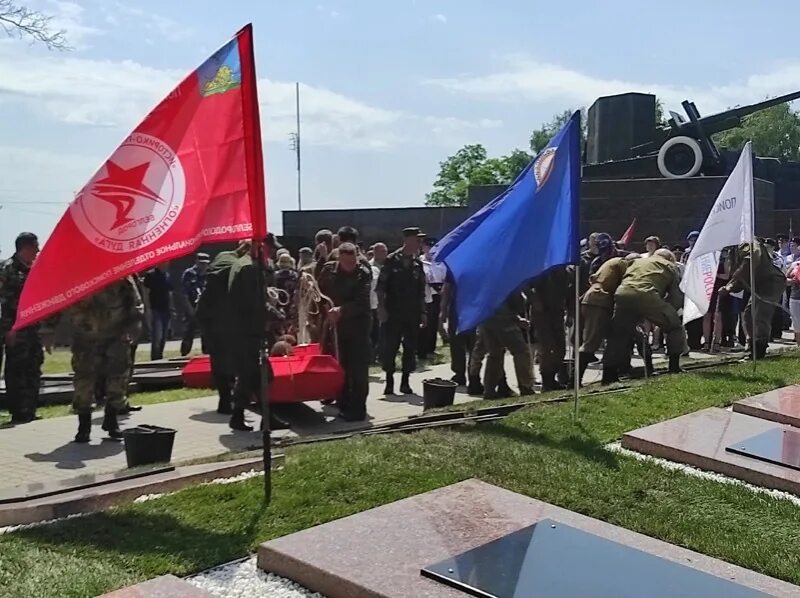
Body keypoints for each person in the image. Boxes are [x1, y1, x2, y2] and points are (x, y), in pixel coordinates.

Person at [50, 276, 145, 443]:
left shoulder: (121, 276)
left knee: (117, 379)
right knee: (84, 381)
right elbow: (57, 301)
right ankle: (83, 426)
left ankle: (111, 419)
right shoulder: (75, 275)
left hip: (115, 335)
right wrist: (48, 329)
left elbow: (135, 303)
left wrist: (134, 327)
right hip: (85, 337)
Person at [603, 249, 687, 384]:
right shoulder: (671, 266)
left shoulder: (638, 261)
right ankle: (674, 366)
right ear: (670, 258)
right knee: (675, 327)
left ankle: (609, 375)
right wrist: (669, 312)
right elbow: (676, 296)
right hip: (647, 294)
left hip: (623, 293)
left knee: (618, 335)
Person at [227, 234, 281, 432]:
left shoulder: (244, 264)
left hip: (242, 330)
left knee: (257, 376)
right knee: (256, 375)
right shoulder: (250, 268)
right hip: (248, 331)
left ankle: (265, 417)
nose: (272, 251)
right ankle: (240, 416)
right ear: (259, 246)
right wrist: (275, 314)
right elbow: (253, 303)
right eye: (269, 248)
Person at [317, 242, 372, 421]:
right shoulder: (328, 271)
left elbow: (362, 303)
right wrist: (324, 308)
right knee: (340, 367)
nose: (351, 266)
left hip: (358, 328)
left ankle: (357, 410)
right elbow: (319, 293)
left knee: (358, 370)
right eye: (346, 262)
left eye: (353, 261)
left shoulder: (362, 274)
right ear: (339, 258)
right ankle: (343, 403)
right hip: (336, 329)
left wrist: (341, 311)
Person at [197, 242, 251, 415]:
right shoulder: (241, 266)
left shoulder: (221, 259)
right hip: (231, 319)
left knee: (218, 361)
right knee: (236, 361)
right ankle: (233, 400)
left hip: (211, 319)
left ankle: (224, 399)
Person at [377, 227, 427, 395]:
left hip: (412, 312)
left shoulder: (417, 263)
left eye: (420, 240)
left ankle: (405, 381)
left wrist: (423, 313)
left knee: (410, 347)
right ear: (407, 240)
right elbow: (381, 288)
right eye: (416, 239)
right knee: (390, 347)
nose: (419, 243)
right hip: (393, 311)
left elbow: (421, 291)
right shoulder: (391, 260)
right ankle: (389, 381)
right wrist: (382, 308)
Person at [0, 232, 43, 424]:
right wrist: (9, 330)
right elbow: (4, 303)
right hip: (15, 329)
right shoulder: (6, 270)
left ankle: (30, 409)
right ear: (24, 248)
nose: (38, 251)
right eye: (35, 247)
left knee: (34, 366)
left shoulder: (34, 269)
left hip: (33, 328)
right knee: (17, 369)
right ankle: (18, 411)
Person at [719, 239, 786, 359]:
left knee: (760, 315)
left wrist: (730, 285)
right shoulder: (733, 251)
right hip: (758, 286)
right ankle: (752, 345)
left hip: (770, 282)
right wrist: (729, 288)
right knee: (748, 315)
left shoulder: (747, 240)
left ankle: (760, 348)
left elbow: (752, 259)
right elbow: (741, 278)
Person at [577, 253, 635, 385]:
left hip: (596, 299)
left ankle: (609, 375)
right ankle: (574, 380)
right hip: (599, 301)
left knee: (612, 338)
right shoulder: (623, 265)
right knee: (591, 341)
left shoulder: (612, 263)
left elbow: (593, 278)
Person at [479, 290, 535, 399]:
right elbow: (517, 303)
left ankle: (489, 390)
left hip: (486, 321)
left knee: (494, 355)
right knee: (521, 351)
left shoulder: (486, 280)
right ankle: (525, 386)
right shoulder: (508, 281)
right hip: (504, 321)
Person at [528, 268, 570, 390]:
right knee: (547, 347)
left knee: (560, 348)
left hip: (558, 313)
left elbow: (569, 292)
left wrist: (571, 311)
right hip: (542, 314)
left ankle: (553, 376)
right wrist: (535, 300)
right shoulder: (542, 270)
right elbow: (526, 286)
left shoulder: (566, 272)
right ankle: (547, 380)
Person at [418, 237, 447, 360]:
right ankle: (421, 349)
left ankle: (431, 348)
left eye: (432, 246)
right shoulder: (420, 261)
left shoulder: (440, 262)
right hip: (424, 295)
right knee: (424, 323)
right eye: (427, 246)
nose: (430, 249)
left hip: (437, 294)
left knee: (434, 322)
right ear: (423, 247)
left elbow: (444, 277)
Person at [180, 252, 209, 356]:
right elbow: (184, 293)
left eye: (205, 264)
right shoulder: (189, 273)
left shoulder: (209, 274)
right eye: (201, 263)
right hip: (191, 308)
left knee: (206, 334)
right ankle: (184, 354)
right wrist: (189, 309)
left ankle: (206, 355)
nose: (203, 266)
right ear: (196, 261)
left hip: (205, 309)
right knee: (188, 333)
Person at [143, 262, 173, 360]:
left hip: (166, 309)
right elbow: (145, 292)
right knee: (157, 336)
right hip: (155, 309)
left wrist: (172, 308)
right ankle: (155, 358)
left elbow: (170, 293)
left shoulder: (167, 275)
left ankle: (160, 355)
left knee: (164, 336)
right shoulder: (150, 275)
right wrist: (147, 308)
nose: (166, 264)